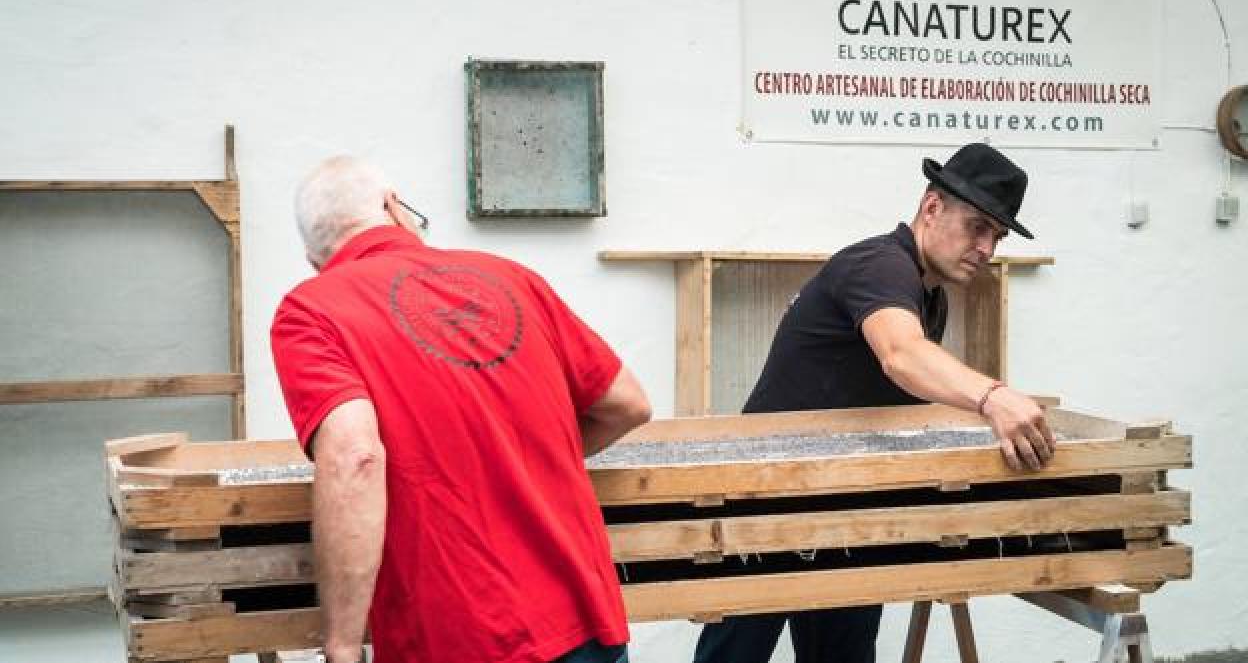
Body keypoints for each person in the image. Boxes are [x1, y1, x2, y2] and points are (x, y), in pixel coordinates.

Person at [270, 156, 652, 663]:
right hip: (583, 622)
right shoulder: (515, 279)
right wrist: (516, 461)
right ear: (393, 207)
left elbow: (354, 459)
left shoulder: (312, 310)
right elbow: (627, 405)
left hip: (452, 637)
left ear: (315, 258)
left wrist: (341, 646)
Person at [692, 142, 1057, 663]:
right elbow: (901, 354)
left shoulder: (928, 295)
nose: (987, 248)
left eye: (996, 235)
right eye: (977, 226)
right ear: (932, 207)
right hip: (766, 502)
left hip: (843, 507)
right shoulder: (878, 264)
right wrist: (994, 396)